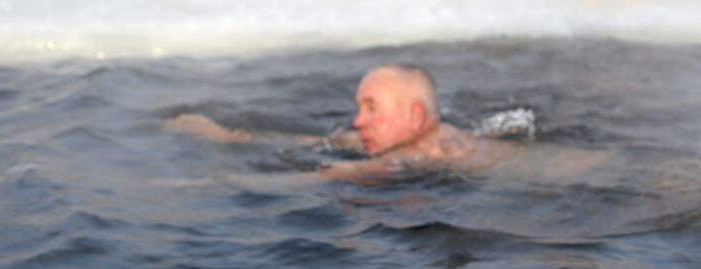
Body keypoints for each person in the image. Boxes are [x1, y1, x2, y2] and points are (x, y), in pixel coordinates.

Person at [166, 64, 509, 181]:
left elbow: (331, 176)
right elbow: (315, 142)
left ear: (415, 115)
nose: (359, 121)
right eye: (360, 107)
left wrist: (218, 183)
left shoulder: (430, 152)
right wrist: (227, 137)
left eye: (372, 108)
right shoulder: (402, 143)